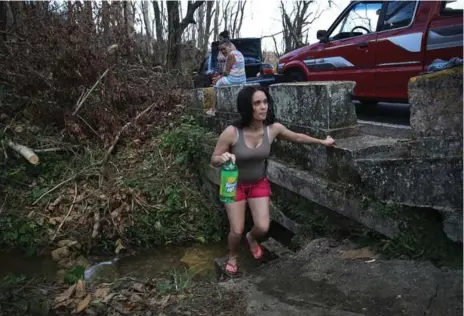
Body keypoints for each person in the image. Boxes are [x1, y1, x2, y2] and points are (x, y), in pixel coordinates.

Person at [210, 86, 336, 275]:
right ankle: (233, 256)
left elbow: (297, 137)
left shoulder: (273, 129)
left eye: (265, 102)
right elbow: (213, 159)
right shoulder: (232, 132)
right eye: (257, 103)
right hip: (233, 185)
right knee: (236, 230)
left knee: (262, 226)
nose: (263, 107)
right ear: (247, 107)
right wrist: (223, 158)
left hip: (258, 183)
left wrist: (322, 142)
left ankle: (251, 238)